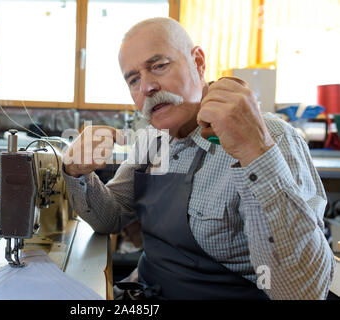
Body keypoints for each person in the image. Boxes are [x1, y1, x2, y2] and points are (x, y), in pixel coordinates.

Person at [62, 17, 335, 300]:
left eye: (159, 66)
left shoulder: (271, 137)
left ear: (199, 62)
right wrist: (77, 172)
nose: (147, 87)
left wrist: (256, 153)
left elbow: (303, 294)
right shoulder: (152, 140)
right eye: (134, 79)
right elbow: (112, 217)